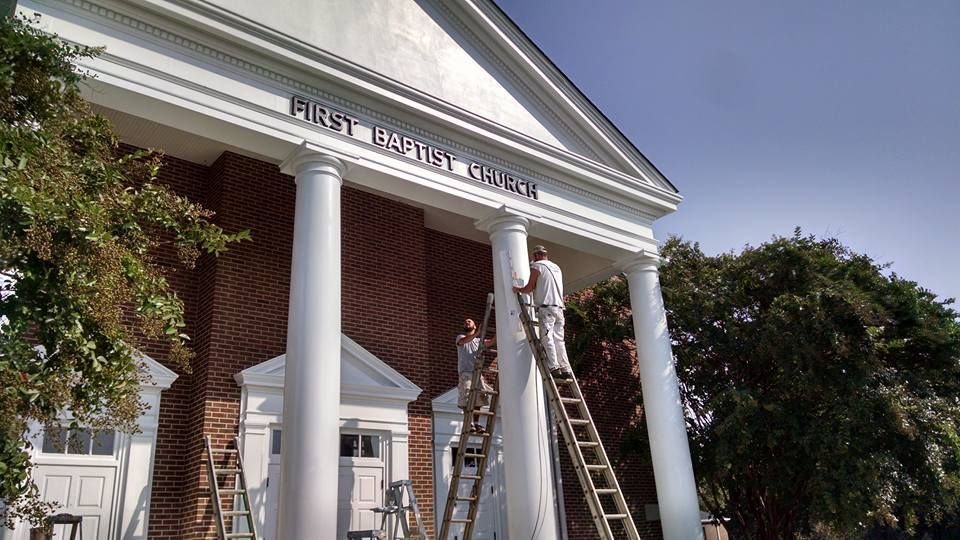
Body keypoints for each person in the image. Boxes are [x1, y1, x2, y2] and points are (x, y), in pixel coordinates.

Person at [513, 245, 573, 379]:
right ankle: (566, 367)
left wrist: (518, 289)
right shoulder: (557, 268)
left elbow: (529, 287)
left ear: (536, 256)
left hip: (547, 309)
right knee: (559, 339)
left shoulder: (537, 266)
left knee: (547, 337)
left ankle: (554, 366)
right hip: (559, 308)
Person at [456, 318, 495, 433]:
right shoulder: (460, 337)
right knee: (467, 398)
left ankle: (476, 424)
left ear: (474, 326)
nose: (467, 322)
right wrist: (478, 333)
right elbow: (463, 342)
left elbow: (490, 343)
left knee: (479, 398)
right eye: (465, 322)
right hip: (466, 372)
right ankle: (469, 423)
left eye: (469, 321)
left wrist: (499, 331)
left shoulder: (479, 341)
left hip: (477, 372)